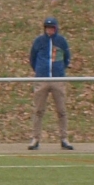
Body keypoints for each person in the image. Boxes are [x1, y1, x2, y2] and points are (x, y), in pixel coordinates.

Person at [29, 16, 73, 150]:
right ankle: (35, 139)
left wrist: (59, 70)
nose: (49, 30)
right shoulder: (39, 41)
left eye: (52, 28)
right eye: (47, 28)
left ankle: (64, 138)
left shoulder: (61, 41)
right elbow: (32, 58)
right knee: (38, 110)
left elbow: (67, 58)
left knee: (61, 110)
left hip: (57, 79)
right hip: (42, 79)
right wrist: (40, 70)